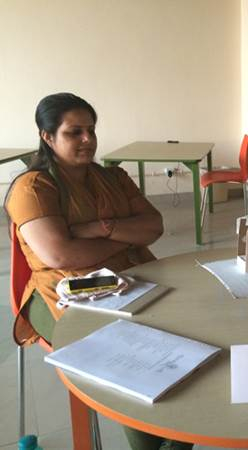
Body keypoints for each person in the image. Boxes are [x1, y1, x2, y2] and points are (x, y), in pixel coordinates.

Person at [4, 93, 191, 450]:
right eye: (75, 132)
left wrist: (99, 228)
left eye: (91, 130)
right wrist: (124, 237)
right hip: (62, 291)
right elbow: (60, 255)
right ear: (48, 136)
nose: (88, 140)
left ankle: (180, 434)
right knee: (130, 354)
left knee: (190, 335)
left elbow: (153, 226)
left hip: (135, 280)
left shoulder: (114, 177)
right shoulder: (34, 187)